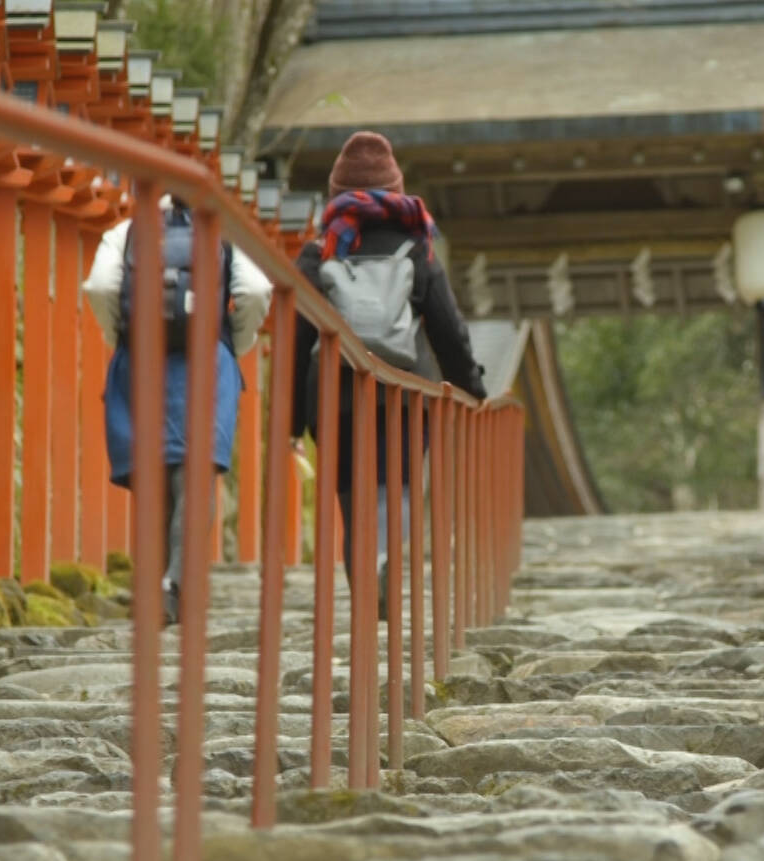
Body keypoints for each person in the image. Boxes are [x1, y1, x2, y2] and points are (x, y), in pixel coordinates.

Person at [291, 131, 487, 617]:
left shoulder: (321, 252)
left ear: (337, 193)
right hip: (404, 390)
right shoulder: (416, 249)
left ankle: (365, 598)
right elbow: (448, 330)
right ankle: (386, 567)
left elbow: (297, 339)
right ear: (396, 190)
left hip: (336, 394)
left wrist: (292, 422)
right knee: (395, 489)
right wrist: (472, 390)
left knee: (350, 500)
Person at [83, 194, 274, 622]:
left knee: (153, 474)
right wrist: (231, 343)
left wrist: (122, 337)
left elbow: (98, 286)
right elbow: (257, 290)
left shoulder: (128, 229)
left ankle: (157, 588)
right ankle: (176, 581)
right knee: (196, 472)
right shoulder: (223, 226)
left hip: (142, 360)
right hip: (208, 361)